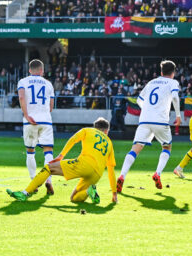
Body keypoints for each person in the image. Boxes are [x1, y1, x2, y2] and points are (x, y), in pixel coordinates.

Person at [7, 117, 118, 204]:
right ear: (107, 131)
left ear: (95, 127)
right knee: (74, 198)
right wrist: (114, 193)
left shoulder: (88, 130)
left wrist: (61, 155)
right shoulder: (110, 143)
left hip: (84, 164)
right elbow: (111, 170)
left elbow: (73, 139)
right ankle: (88, 190)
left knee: (48, 168)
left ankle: (25, 193)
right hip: (97, 174)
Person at [116, 60, 181, 192]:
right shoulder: (173, 82)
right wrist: (178, 115)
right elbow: (175, 97)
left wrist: (148, 110)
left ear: (161, 72)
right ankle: (157, 173)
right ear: (173, 73)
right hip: (160, 121)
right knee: (167, 147)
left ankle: (122, 175)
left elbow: (139, 99)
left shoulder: (151, 82)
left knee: (135, 149)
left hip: (144, 120)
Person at [17, 59, 55, 195]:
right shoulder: (48, 84)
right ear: (42, 71)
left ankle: (34, 182)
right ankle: (48, 180)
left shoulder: (23, 82)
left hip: (30, 121)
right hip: (45, 121)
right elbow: (51, 107)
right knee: (48, 151)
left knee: (30, 152)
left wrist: (27, 115)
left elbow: (21, 97)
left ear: (29, 70)